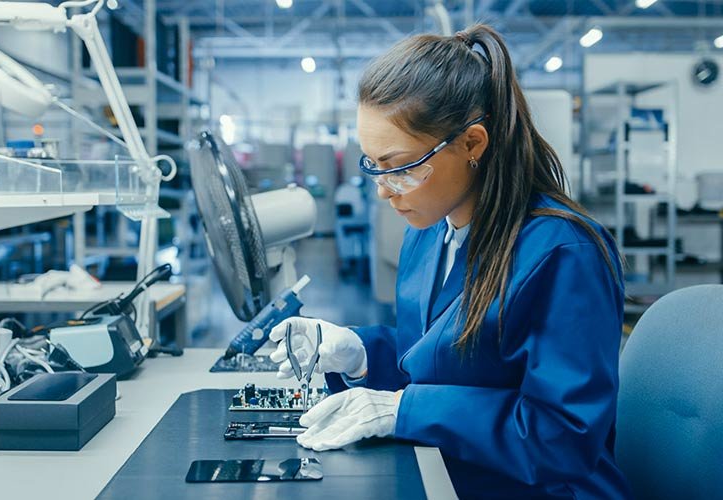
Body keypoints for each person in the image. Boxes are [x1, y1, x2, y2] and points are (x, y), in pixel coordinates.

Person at [269, 24, 632, 499]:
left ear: (472, 145)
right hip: (452, 474)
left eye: (399, 166)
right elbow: (440, 363)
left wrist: (404, 411)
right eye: (372, 163)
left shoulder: (563, 254)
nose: (383, 189)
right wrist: (358, 353)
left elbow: (561, 436)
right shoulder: (430, 233)